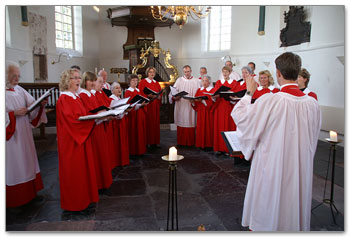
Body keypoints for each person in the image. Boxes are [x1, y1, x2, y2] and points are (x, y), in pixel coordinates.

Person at [231, 52, 321, 231]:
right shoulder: (312, 104)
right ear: (297, 73)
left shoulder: (271, 100)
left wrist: (249, 93)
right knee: (293, 200)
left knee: (270, 200)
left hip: (272, 163)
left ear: (278, 73)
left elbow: (242, 118)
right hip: (299, 165)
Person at [6, 61, 48, 208]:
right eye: (13, 76)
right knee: (15, 165)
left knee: (27, 161)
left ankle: (31, 194)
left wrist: (40, 104)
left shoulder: (19, 89)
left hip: (24, 132)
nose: (17, 79)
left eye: (18, 76)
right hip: (11, 139)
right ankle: (16, 201)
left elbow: (32, 104)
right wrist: (13, 114)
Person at [56, 68, 99, 212]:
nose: (78, 81)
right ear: (67, 81)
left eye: (79, 78)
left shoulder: (75, 97)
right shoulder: (64, 99)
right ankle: (75, 203)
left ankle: (85, 199)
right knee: (75, 172)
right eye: (75, 78)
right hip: (72, 142)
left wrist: (95, 116)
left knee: (83, 170)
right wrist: (92, 121)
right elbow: (73, 121)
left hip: (81, 138)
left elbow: (83, 114)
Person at [79, 71, 113, 190]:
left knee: (101, 155)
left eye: (94, 80)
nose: (93, 83)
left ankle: (103, 182)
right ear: (85, 81)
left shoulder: (91, 94)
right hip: (92, 130)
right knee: (96, 157)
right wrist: (101, 115)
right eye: (90, 80)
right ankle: (98, 184)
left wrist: (105, 114)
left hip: (99, 127)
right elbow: (87, 113)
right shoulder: (83, 95)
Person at [170, 65, 201, 146]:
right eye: (185, 72)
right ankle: (181, 142)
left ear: (191, 71)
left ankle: (191, 142)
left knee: (191, 121)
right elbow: (173, 92)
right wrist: (175, 97)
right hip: (181, 105)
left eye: (188, 71)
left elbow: (200, 93)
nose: (187, 73)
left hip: (191, 105)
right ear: (183, 72)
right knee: (181, 121)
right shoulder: (179, 80)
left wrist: (195, 100)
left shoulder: (197, 81)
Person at [212, 66, 238, 155]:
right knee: (219, 127)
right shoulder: (219, 82)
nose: (225, 73)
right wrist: (214, 96)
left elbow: (235, 95)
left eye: (226, 71)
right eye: (223, 71)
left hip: (229, 107)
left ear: (230, 72)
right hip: (219, 107)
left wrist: (231, 97)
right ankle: (219, 148)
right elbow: (215, 93)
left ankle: (227, 148)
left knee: (227, 126)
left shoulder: (234, 83)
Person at [138, 67, 162, 148]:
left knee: (155, 124)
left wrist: (158, 97)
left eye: (153, 72)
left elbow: (159, 94)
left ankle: (154, 142)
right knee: (148, 124)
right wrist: (148, 96)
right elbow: (140, 93)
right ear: (147, 73)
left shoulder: (156, 83)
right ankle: (147, 142)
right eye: (150, 72)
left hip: (155, 106)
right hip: (148, 106)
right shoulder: (143, 82)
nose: (152, 74)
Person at [125, 74, 148, 155]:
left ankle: (141, 150)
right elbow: (128, 104)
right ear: (129, 82)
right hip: (134, 115)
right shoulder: (128, 92)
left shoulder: (138, 90)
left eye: (136, 80)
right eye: (133, 80)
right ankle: (134, 151)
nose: (135, 82)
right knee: (134, 133)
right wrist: (139, 105)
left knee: (141, 132)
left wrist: (144, 103)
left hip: (140, 114)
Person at [191, 75, 214, 149]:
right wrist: (193, 102)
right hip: (201, 112)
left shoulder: (212, 90)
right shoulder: (199, 90)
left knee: (208, 128)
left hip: (208, 113)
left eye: (206, 81)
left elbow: (213, 103)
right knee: (200, 127)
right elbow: (196, 102)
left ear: (209, 82)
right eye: (203, 81)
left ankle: (208, 145)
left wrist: (204, 101)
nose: (204, 82)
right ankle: (200, 144)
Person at [110, 82, 130, 166]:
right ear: (112, 90)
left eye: (120, 88)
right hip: (116, 123)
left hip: (122, 122)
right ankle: (118, 160)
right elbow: (113, 112)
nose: (119, 90)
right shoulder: (112, 99)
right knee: (118, 142)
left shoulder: (119, 98)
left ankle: (123, 160)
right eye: (117, 88)